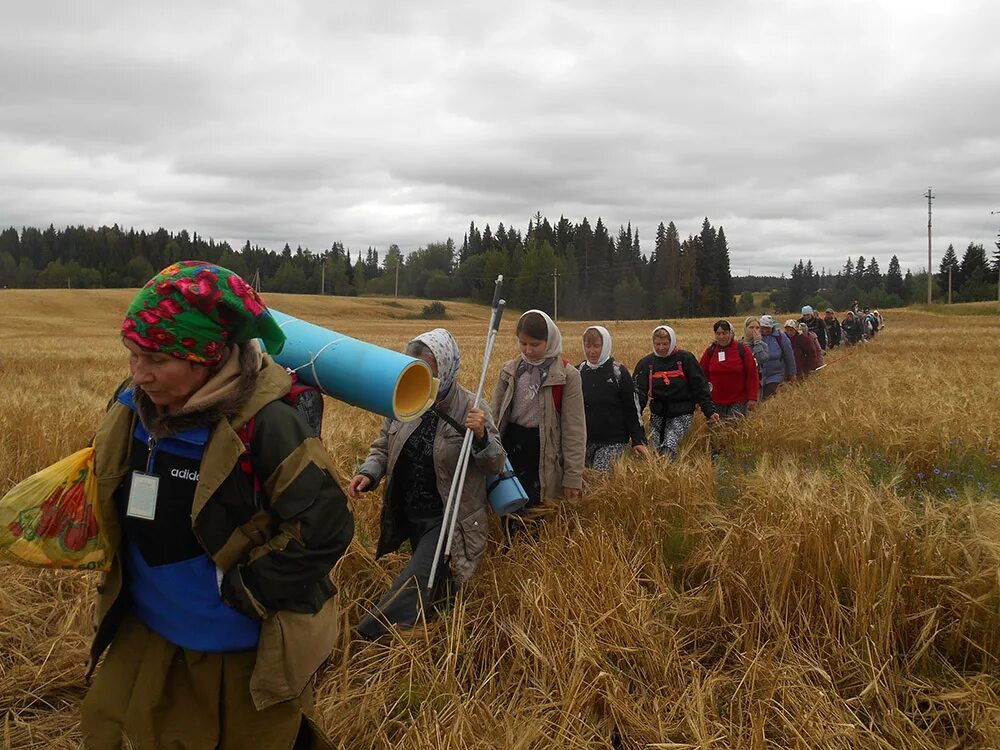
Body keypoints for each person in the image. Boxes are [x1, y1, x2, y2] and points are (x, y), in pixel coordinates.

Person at [82, 261, 353, 749]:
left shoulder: (268, 425)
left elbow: (326, 525)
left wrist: (248, 590)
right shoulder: (131, 405)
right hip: (144, 630)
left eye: (156, 358)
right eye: (132, 354)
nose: (139, 374)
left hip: (233, 651)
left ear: (205, 356)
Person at [348, 329, 505, 640]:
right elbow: (383, 445)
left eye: (430, 370)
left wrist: (481, 436)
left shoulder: (471, 407)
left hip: (447, 515)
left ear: (446, 367)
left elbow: (495, 463)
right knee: (433, 578)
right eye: (416, 367)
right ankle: (439, 617)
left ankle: (372, 636)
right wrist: (370, 472)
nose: (424, 377)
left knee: (414, 580)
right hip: (410, 509)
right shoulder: (406, 396)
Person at [492, 310, 586, 509]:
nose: (528, 350)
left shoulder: (567, 376)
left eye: (535, 345)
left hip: (544, 453)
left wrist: (573, 477)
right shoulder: (510, 370)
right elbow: (495, 415)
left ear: (549, 341)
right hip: (511, 449)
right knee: (510, 511)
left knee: (538, 512)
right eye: (523, 343)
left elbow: (574, 430)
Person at [633, 326, 718, 459]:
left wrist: (709, 410)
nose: (661, 348)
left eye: (665, 344)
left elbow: (700, 386)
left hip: (682, 412)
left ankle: (670, 469)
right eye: (657, 344)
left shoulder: (686, 359)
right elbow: (639, 395)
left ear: (672, 342)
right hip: (658, 413)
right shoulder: (646, 363)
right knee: (654, 448)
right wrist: (634, 417)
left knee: (669, 445)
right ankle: (658, 470)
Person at [577, 325, 648, 470]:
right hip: (584, 440)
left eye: (596, 346)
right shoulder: (578, 372)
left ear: (605, 345)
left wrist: (638, 440)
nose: (591, 351)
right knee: (581, 480)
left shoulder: (618, 373)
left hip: (613, 441)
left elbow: (632, 408)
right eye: (588, 346)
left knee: (599, 478)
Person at [700, 320, 759, 419]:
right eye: (718, 333)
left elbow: (752, 374)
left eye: (724, 333)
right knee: (715, 428)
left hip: (738, 400)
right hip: (715, 402)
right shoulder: (710, 351)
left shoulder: (742, 350)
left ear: (731, 333)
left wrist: (752, 397)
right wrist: (701, 398)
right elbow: (701, 375)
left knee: (734, 427)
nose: (721, 337)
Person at [757, 315, 796, 400]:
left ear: (772, 327)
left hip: (776, 375)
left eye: (767, 328)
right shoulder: (756, 337)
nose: (765, 330)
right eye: (762, 328)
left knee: (768, 397)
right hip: (760, 376)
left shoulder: (780, 337)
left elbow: (789, 355)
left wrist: (792, 373)